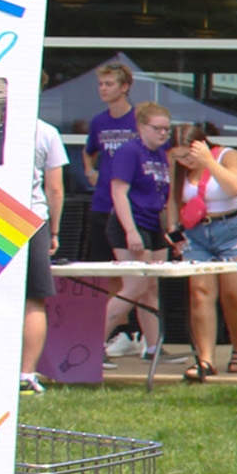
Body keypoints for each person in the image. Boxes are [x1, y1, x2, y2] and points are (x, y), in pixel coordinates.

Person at [169, 123, 237, 383]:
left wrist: (208, 161)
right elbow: (174, 200)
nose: (185, 162)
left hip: (235, 229)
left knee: (236, 295)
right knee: (200, 293)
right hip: (197, 233)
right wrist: (173, 231)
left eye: (189, 155)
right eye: (179, 157)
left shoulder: (226, 156)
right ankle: (205, 358)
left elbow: (236, 188)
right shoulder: (180, 168)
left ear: (201, 145)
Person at [99, 103, 175, 360]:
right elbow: (118, 192)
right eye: (157, 129)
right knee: (134, 285)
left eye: (167, 129)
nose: (163, 134)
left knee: (151, 286)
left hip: (153, 224)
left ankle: (153, 347)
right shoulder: (129, 152)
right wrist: (131, 231)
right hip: (131, 223)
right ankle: (94, 343)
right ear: (142, 127)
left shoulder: (160, 154)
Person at [20, 118, 64, 394]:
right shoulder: (46, 131)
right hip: (31, 218)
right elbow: (55, 188)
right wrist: (55, 231)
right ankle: (25, 375)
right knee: (33, 299)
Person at [81, 62, 138, 263]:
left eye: (109, 84)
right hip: (104, 201)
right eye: (101, 84)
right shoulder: (99, 121)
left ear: (124, 87)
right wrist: (90, 172)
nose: (103, 88)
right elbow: (89, 151)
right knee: (107, 266)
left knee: (135, 267)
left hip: (134, 203)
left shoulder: (138, 119)